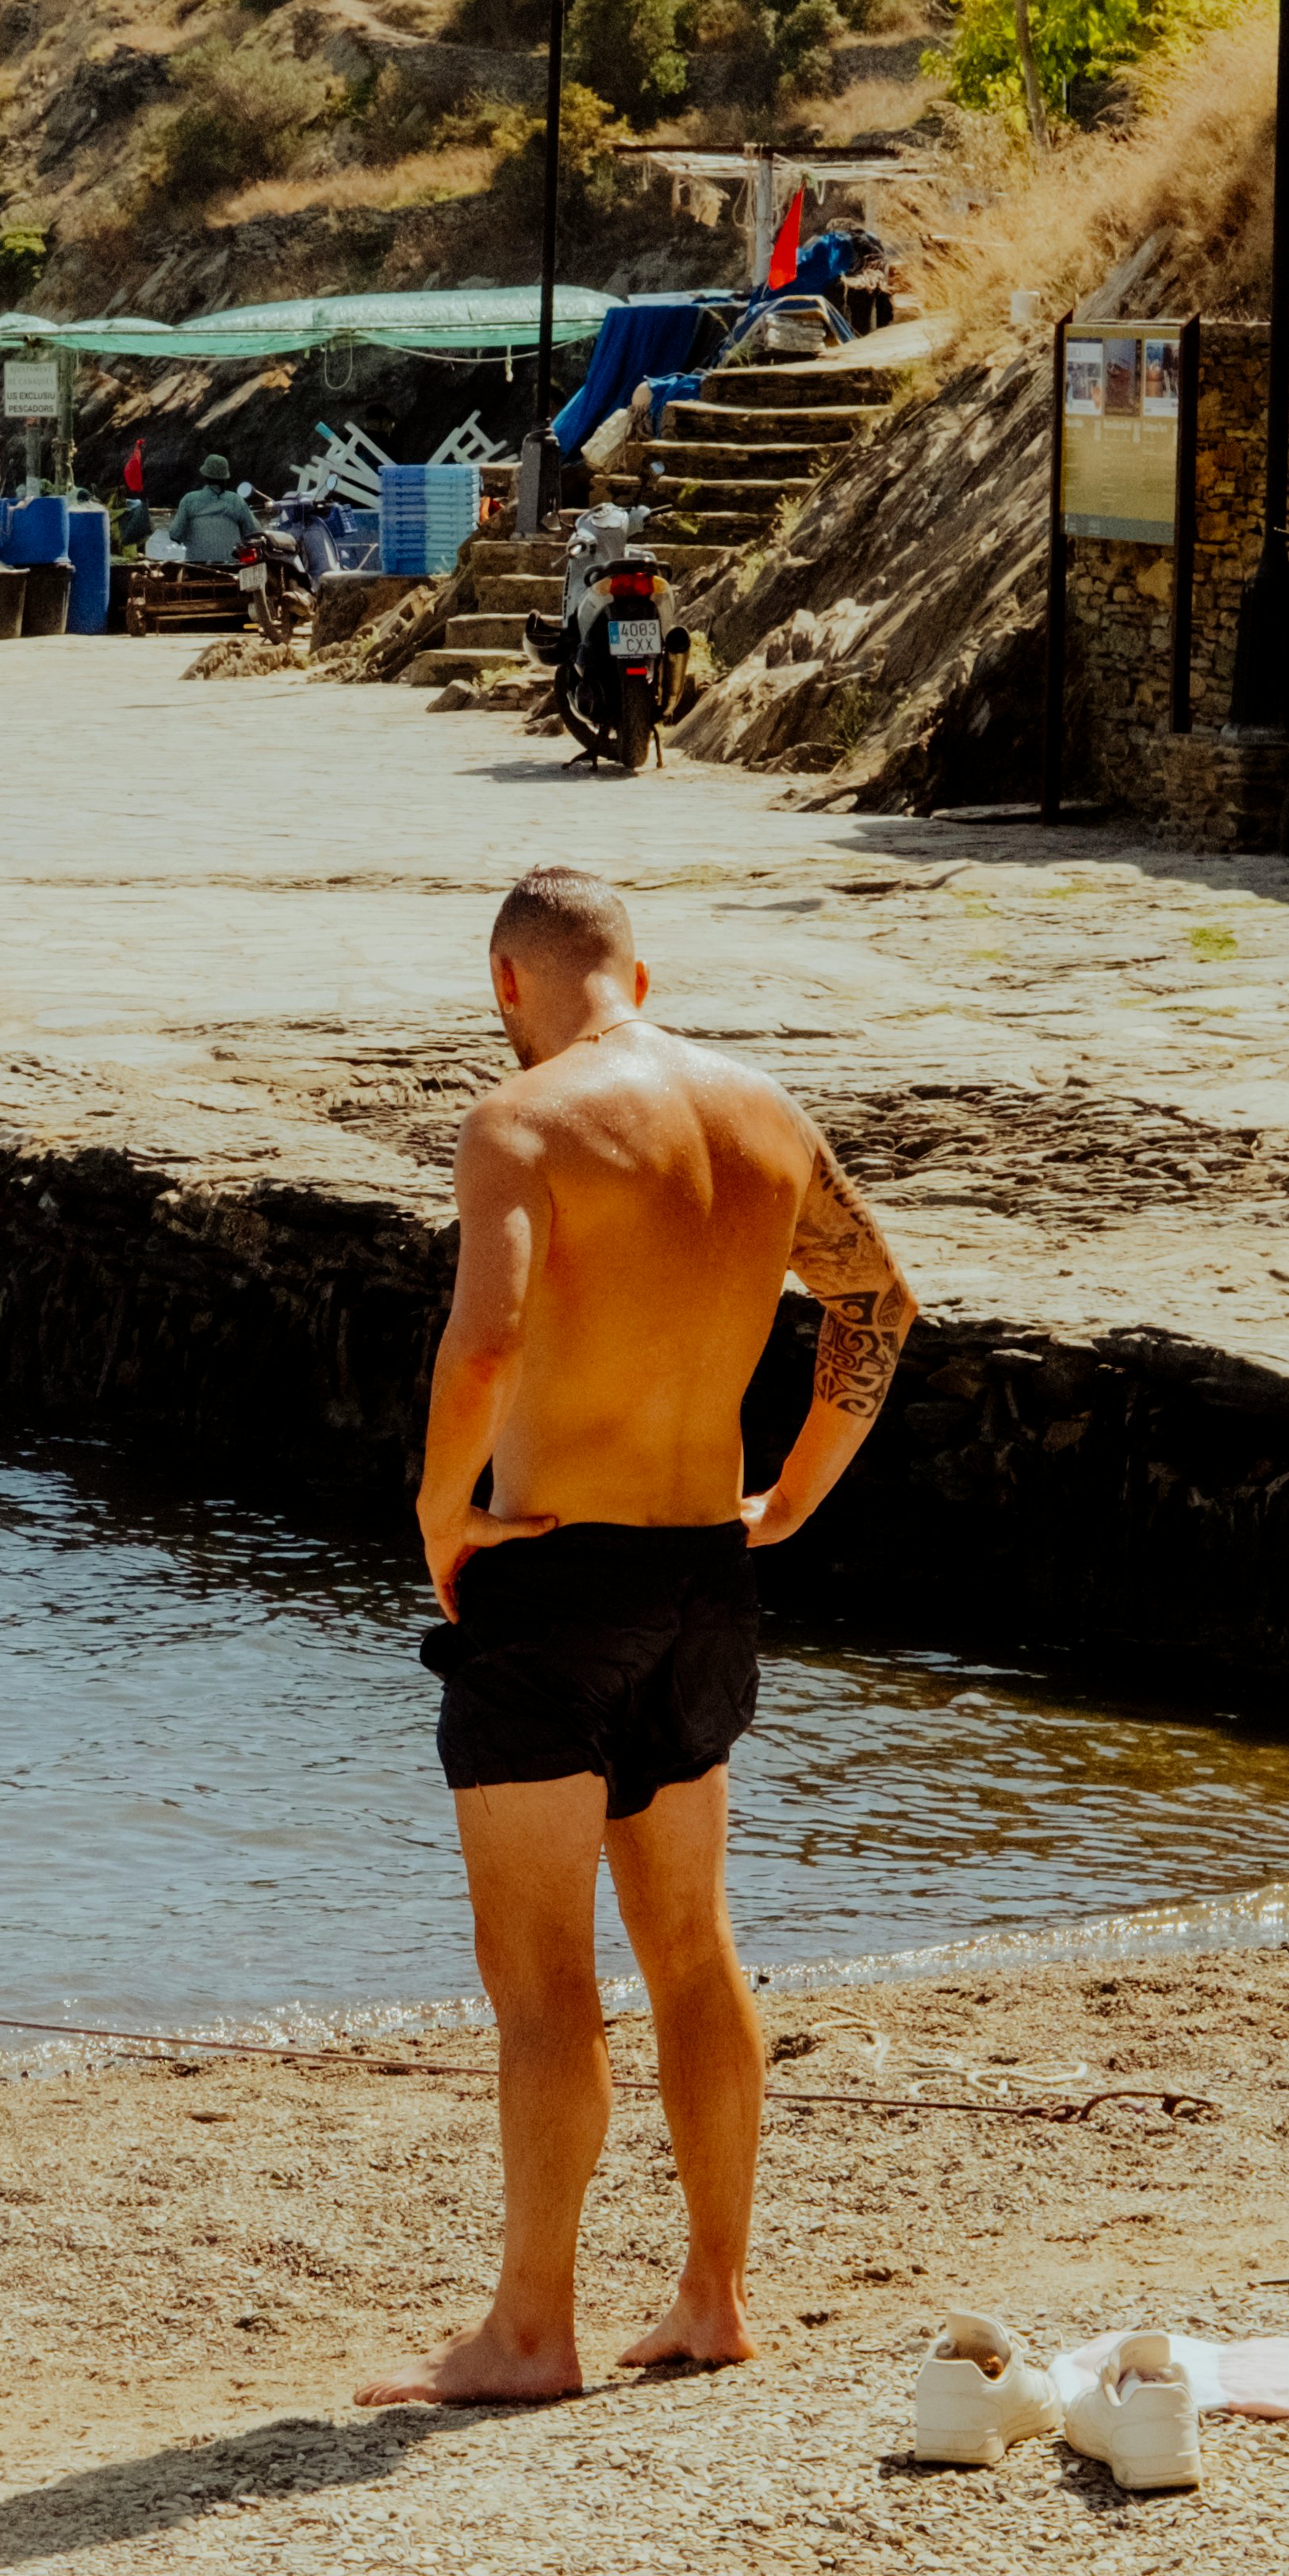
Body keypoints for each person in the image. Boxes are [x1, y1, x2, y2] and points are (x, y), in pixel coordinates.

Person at [371, 867, 916, 2408]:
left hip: (555, 1581)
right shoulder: (757, 1109)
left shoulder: (522, 1120)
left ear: (504, 982)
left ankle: (530, 2329)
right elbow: (877, 1298)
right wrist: (791, 1497)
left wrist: (437, 1512)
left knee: (542, 1977)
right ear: (638, 969)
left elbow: (483, 1338)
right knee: (692, 1944)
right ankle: (712, 2290)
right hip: (699, 1569)